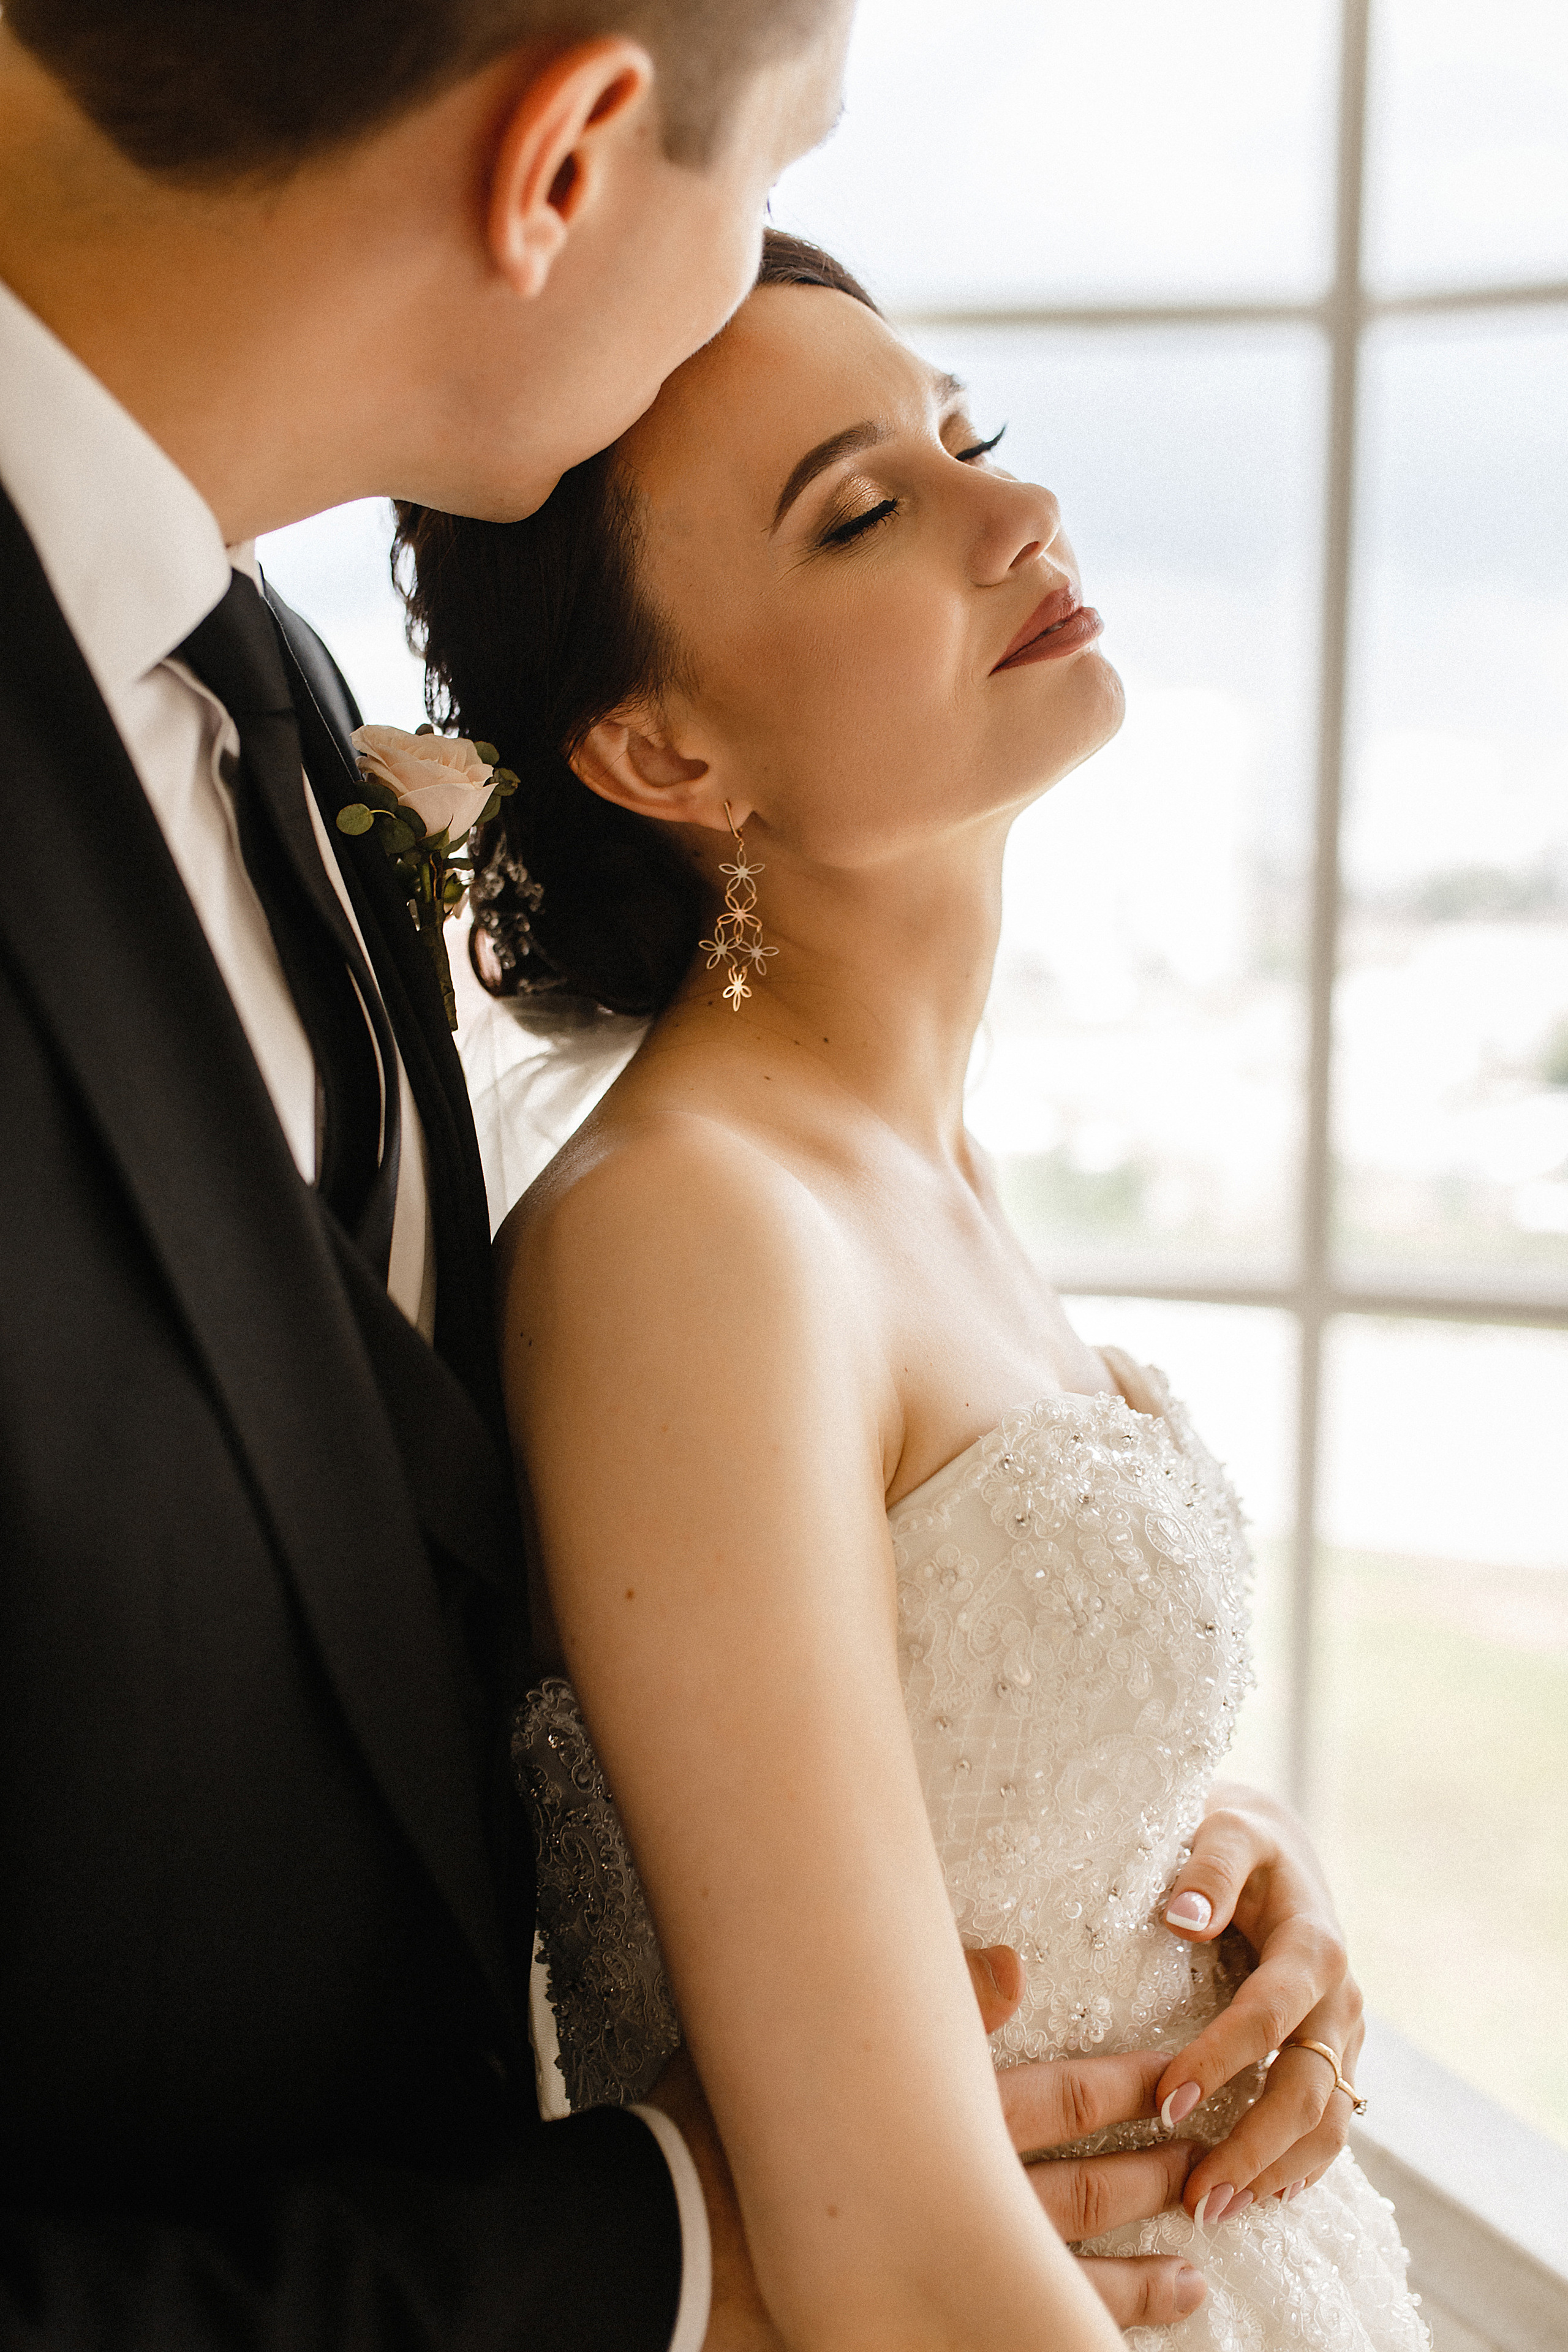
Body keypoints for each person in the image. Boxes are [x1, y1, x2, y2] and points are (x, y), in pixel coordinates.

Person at [393, 234, 1430, 2350]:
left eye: (972, 440)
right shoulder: (690, 1229)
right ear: (666, 754)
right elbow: (876, 2257)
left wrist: (1229, 1869)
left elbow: (940, 1772)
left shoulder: (910, 1171)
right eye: (866, 509)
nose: (1017, 516)